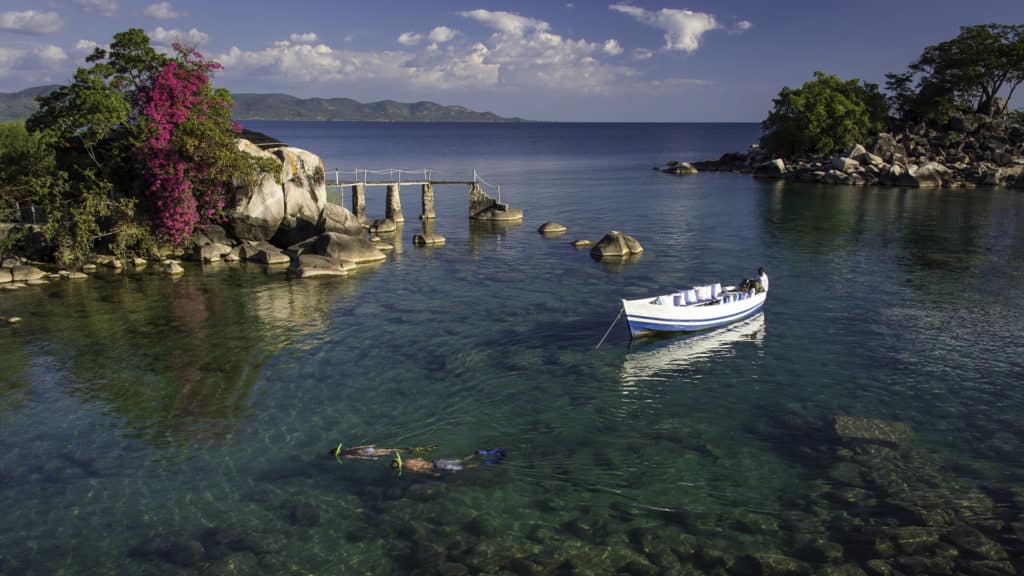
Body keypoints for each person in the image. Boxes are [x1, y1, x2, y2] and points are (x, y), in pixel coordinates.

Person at [391, 448, 506, 477]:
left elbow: (421, 470)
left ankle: (484, 464)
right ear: (398, 460)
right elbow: (420, 459)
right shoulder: (408, 460)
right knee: (461, 461)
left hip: (437, 466)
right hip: (437, 461)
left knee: (464, 468)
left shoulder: (408, 467)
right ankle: (475, 454)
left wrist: (432, 474)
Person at [331, 442, 437, 462]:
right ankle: (417, 449)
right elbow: (358, 447)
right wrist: (369, 446)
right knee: (391, 450)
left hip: (369, 453)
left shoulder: (345, 455)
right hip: (369, 450)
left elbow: (358, 457)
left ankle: (413, 450)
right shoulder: (346, 449)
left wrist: (370, 458)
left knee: (391, 453)